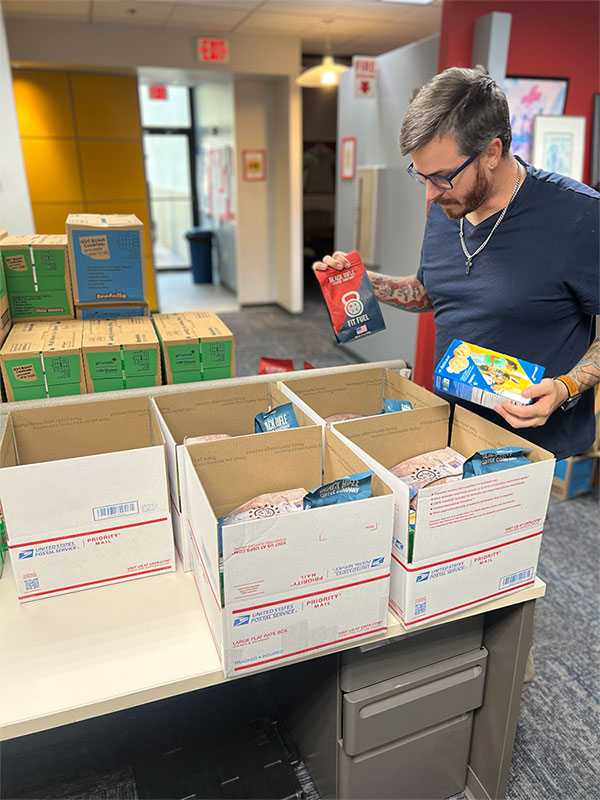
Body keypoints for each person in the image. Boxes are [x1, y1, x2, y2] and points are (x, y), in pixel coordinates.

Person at [314, 66, 600, 461]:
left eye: (443, 177)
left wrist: (566, 387)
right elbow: (431, 293)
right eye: (421, 175)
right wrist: (358, 279)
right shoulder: (449, 202)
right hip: (450, 423)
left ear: (492, 153)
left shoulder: (579, 217)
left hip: (529, 444)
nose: (430, 193)